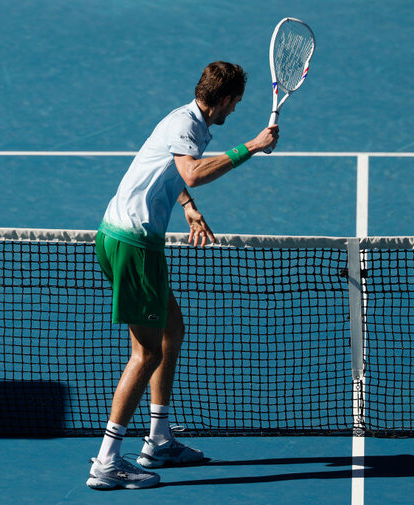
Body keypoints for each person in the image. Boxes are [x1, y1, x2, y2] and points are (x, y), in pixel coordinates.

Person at [86, 61, 279, 490]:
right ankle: (107, 461)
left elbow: (172, 173)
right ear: (226, 99)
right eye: (237, 102)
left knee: (173, 328)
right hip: (133, 242)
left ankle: (158, 439)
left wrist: (187, 206)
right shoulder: (185, 124)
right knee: (146, 353)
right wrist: (252, 146)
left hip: (130, 238)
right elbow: (191, 170)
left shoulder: (189, 121)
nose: (237, 109)